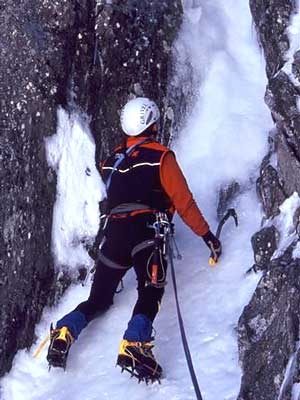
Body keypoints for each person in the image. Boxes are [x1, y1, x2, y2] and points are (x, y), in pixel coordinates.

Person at [46, 97, 221, 382]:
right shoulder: (161, 157)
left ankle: (65, 329)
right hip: (146, 231)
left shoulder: (111, 161)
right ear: (151, 123)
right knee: (150, 290)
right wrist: (208, 237)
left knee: (98, 299)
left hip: (114, 235)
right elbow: (184, 202)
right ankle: (135, 344)